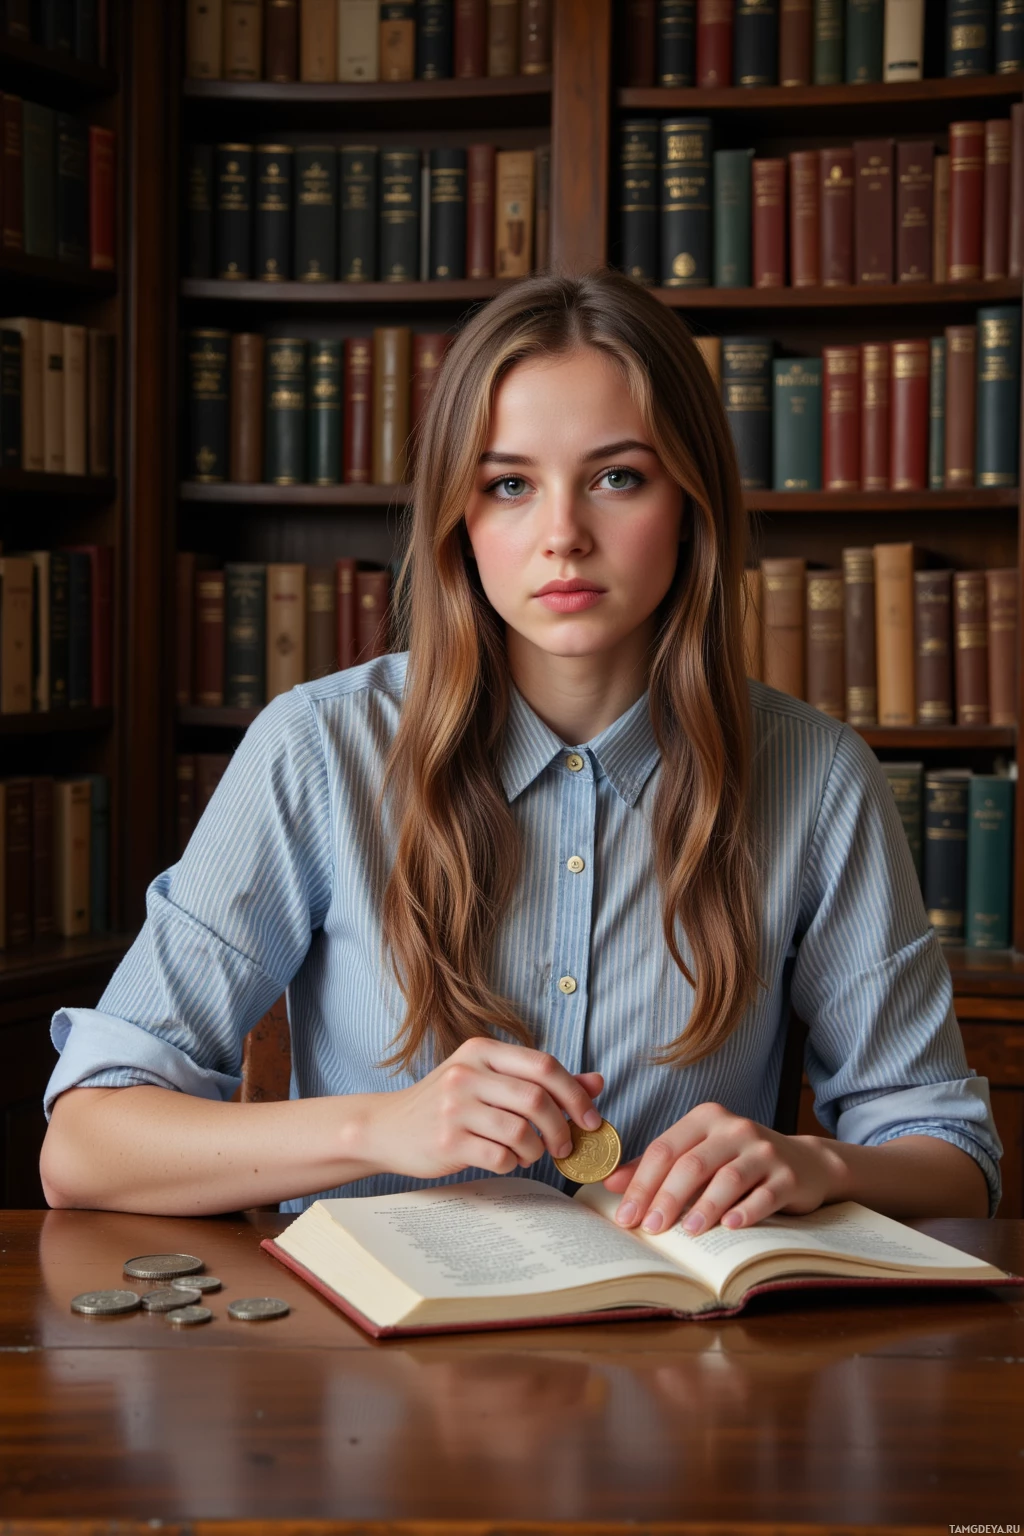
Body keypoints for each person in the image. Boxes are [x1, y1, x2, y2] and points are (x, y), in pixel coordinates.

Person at [40, 270, 1000, 1229]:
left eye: (617, 478)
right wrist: (377, 1129)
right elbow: (86, 1147)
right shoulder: (319, 747)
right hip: (370, 1362)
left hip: (677, 1365)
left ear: (691, 500)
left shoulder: (819, 775)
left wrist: (813, 1164)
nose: (563, 537)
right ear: (461, 519)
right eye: (509, 486)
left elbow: (949, 1157)